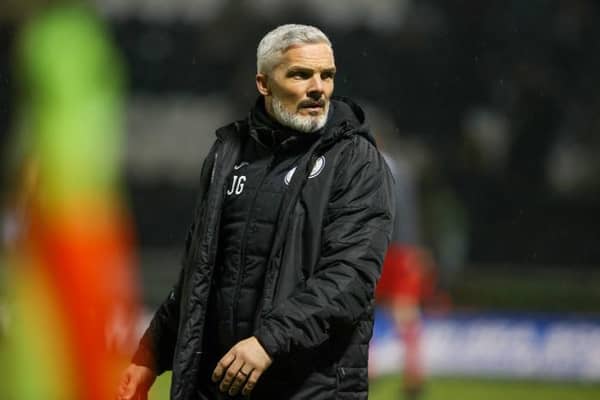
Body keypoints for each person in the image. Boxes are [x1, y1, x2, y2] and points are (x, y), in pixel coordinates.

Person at [117, 24, 395, 400]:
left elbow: (351, 276)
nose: (318, 88)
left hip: (310, 388)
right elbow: (200, 274)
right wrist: (149, 355)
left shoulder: (354, 160)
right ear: (264, 84)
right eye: (300, 74)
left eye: (326, 76)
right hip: (219, 385)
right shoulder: (227, 154)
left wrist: (268, 342)